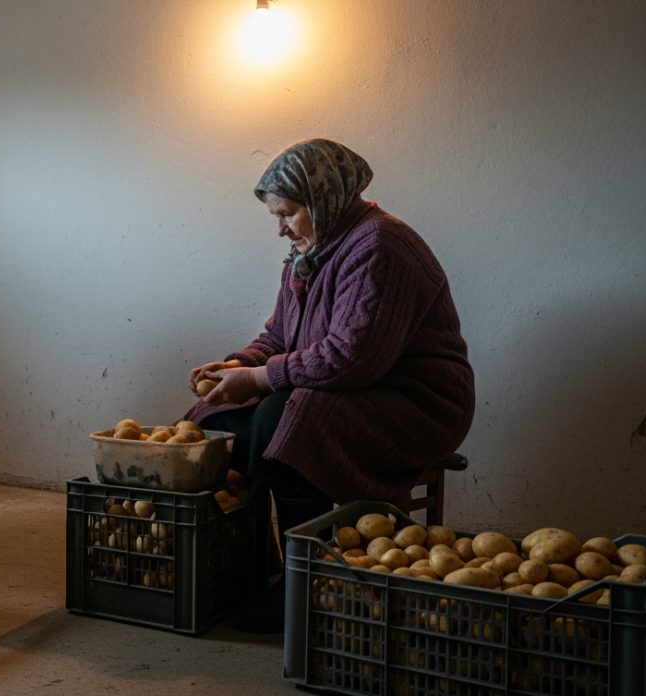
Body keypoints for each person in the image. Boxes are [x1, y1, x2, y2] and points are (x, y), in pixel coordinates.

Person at [184, 139, 474, 632]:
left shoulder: (380, 246)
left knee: (283, 416)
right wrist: (239, 364)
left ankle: (306, 587)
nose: (280, 229)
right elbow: (280, 337)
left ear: (324, 200)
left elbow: (351, 359)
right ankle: (256, 567)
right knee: (225, 419)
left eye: (289, 213)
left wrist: (258, 378)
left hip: (417, 404)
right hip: (354, 390)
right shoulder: (310, 252)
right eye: (276, 216)